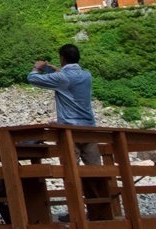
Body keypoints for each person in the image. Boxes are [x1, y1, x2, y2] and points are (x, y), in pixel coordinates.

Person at [29, 43, 108, 218]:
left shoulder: (62, 78)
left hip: (68, 130)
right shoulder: (87, 76)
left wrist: (37, 67)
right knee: (95, 170)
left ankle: (76, 213)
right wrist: (57, 71)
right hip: (88, 128)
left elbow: (32, 78)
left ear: (62, 58)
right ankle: (100, 212)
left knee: (71, 171)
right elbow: (65, 81)